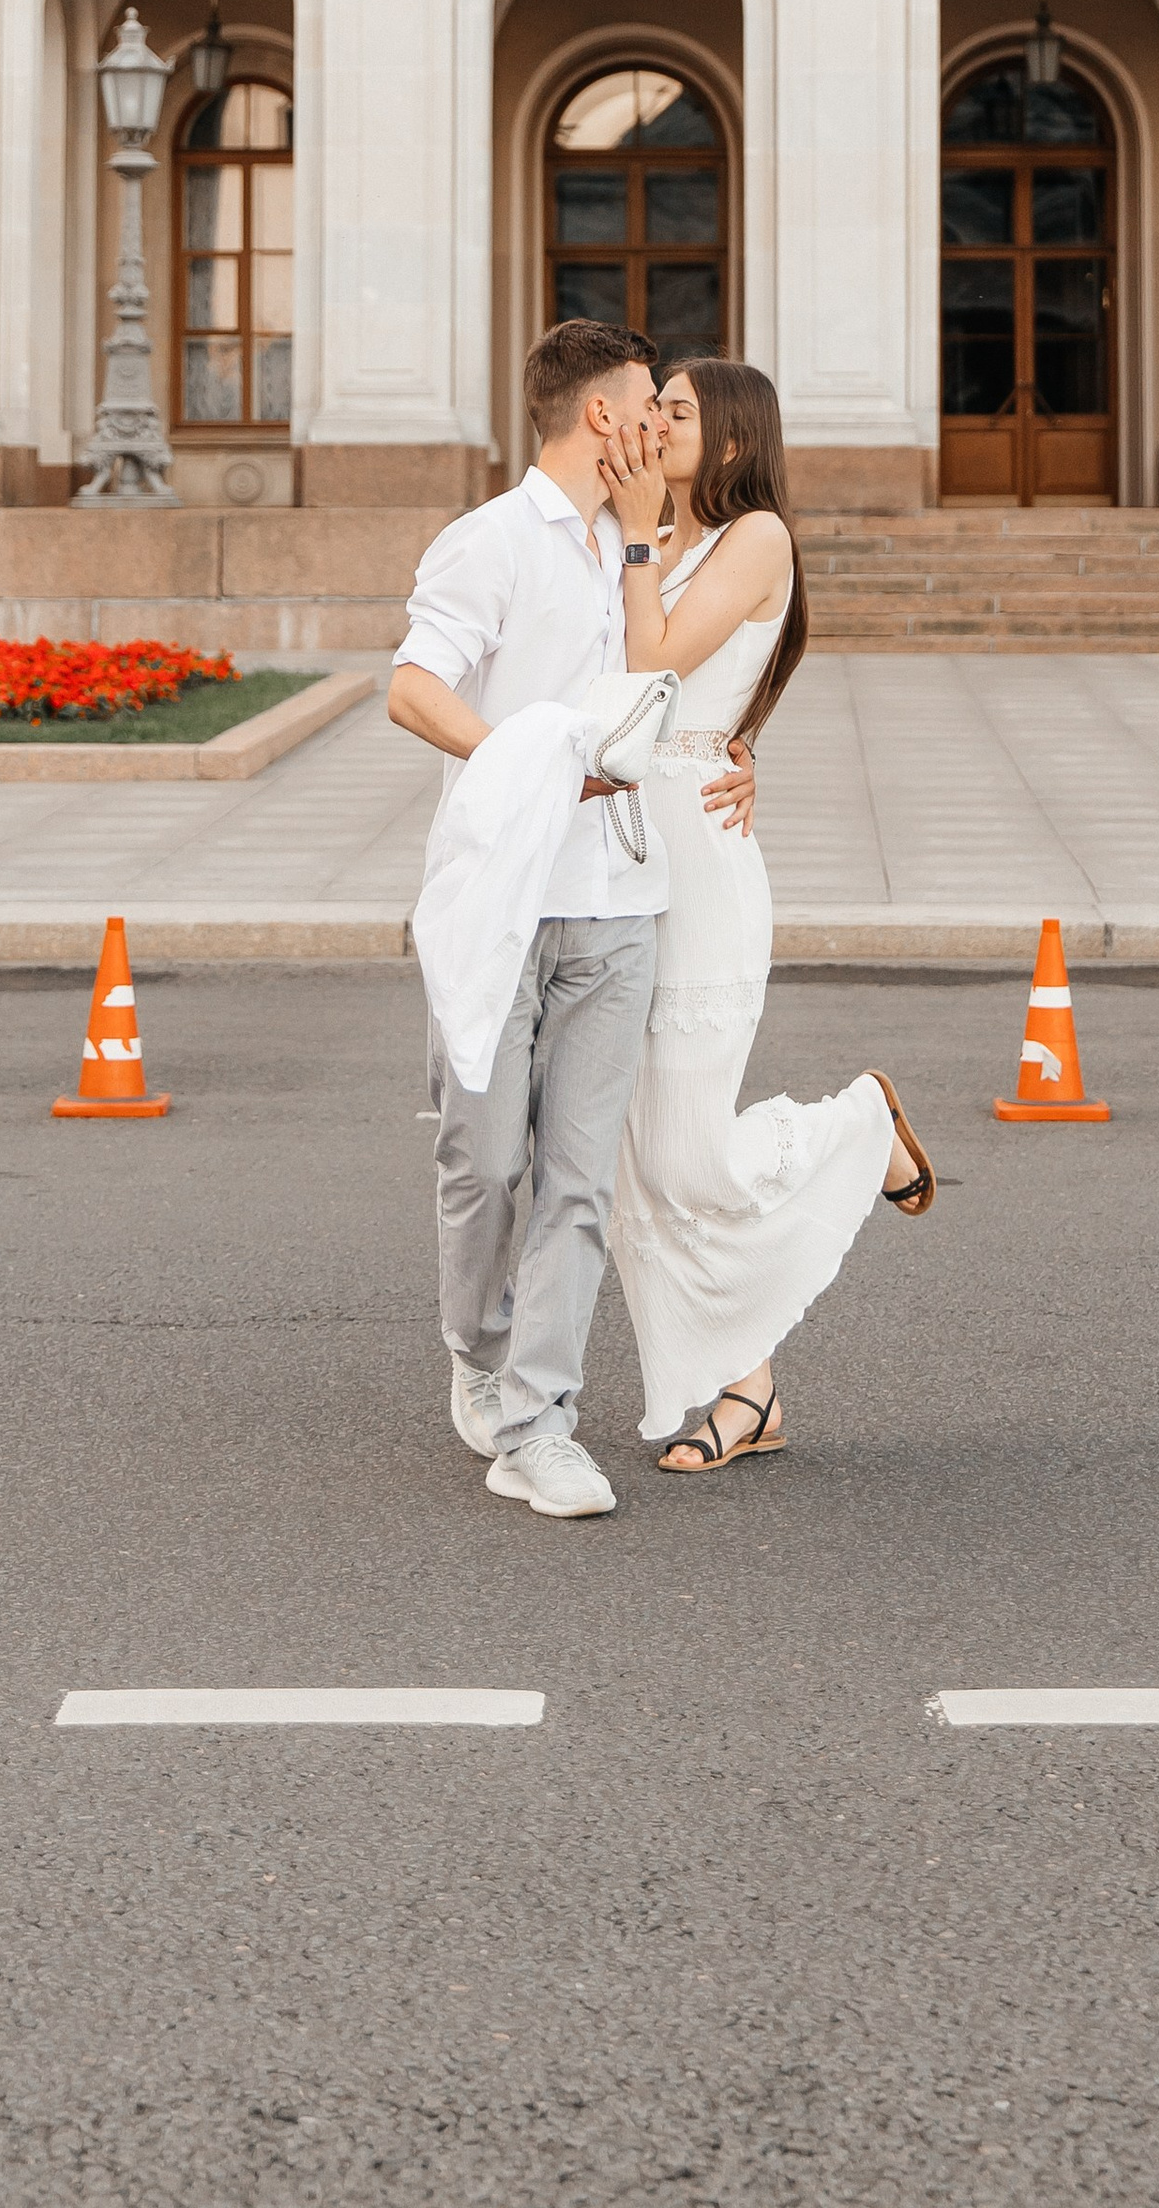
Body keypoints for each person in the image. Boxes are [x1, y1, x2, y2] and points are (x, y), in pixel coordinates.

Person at [388, 319, 756, 1524]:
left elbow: (703, 679)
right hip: (501, 901)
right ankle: (478, 1354)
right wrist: (523, 763)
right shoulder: (488, 543)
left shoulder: (658, 548)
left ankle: (539, 1418)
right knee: (483, 1167)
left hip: (622, 904)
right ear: (602, 414)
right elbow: (412, 687)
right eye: (650, 398)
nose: (661, 418)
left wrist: (739, 752)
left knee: (579, 1181)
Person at [598, 361, 934, 1473]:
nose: (657, 422)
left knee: (691, 1154)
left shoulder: (756, 540)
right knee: (634, 1162)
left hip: (698, 859)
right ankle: (742, 1393)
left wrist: (638, 537)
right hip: (624, 843)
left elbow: (651, 667)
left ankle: (855, 1128)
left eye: (678, 413)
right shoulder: (666, 540)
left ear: (733, 441)